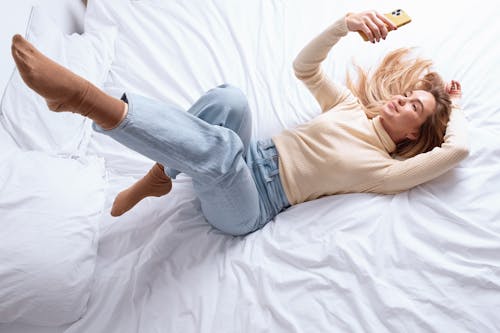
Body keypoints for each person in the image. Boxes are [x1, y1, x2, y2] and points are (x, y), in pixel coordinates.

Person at [10, 10, 468, 236]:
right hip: (250, 156)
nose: (402, 99)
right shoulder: (348, 108)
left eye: (414, 107)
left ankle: (88, 100)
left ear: (413, 134)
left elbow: (457, 152)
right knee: (230, 99)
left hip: (251, 206)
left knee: (222, 152)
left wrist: (456, 109)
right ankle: (159, 175)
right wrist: (343, 25)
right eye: (407, 94)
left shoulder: (384, 172)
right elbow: (303, 68)